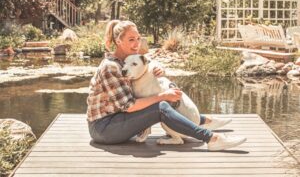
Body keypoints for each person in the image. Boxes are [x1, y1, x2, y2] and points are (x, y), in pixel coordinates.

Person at [87, 20, 246, 151]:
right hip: (104, 129)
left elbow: (145, 82)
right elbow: (129, 106)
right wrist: (162, 96)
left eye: (138, 38)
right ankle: (211, 138)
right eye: (131, 39)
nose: (136, 44)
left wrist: (158, 72)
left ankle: (202, 120)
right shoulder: (111, 67)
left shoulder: (126, 62)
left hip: (117, 120)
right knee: (160, 106)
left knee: (163, 96)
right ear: (118, 41)